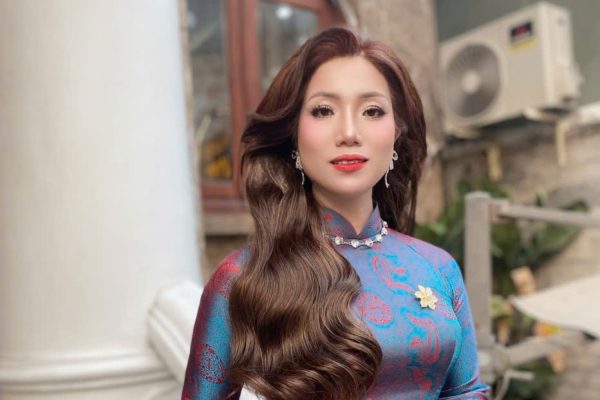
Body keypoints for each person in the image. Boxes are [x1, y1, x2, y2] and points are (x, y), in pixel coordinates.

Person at [182, 27, 490, 400]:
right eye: (323, 110)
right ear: (293, 135)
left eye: (372, 111)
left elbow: (466, 392)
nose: (349, 132)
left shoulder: (438, 268)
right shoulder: (241, 278)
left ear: (397, 132)